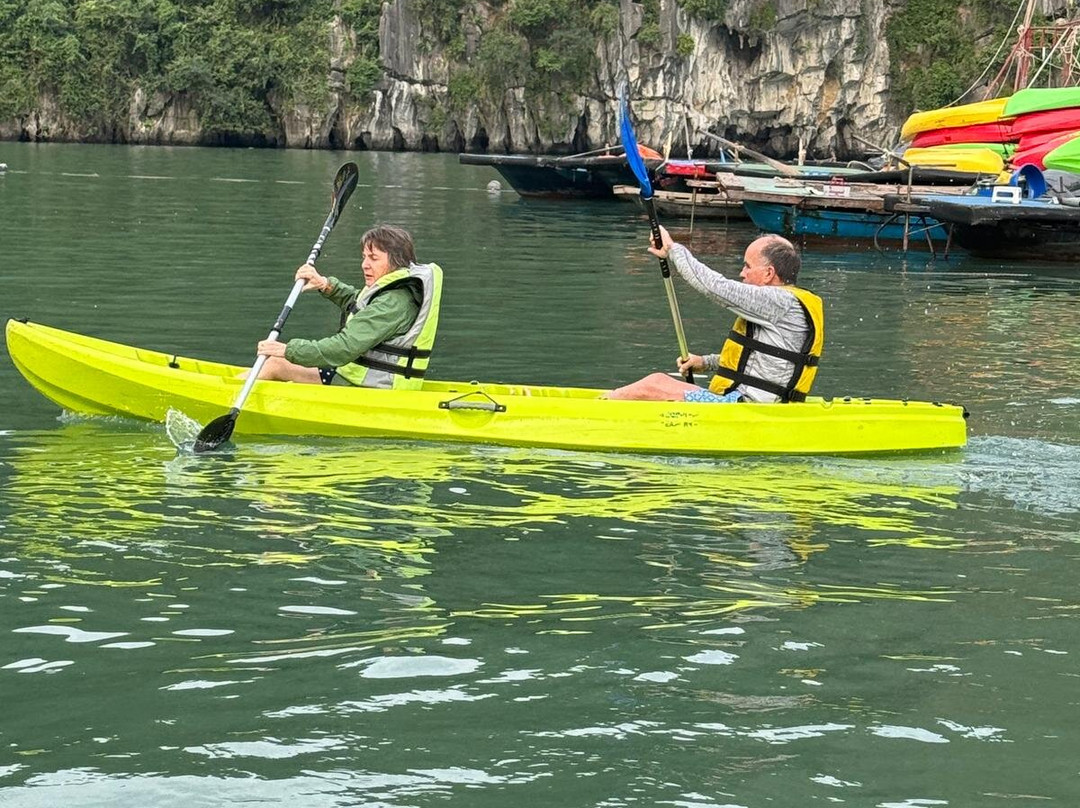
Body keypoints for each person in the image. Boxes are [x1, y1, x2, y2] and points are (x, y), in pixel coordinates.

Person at [606, 227, 823, 403]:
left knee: (653, 384)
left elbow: (713, 286)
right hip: (749, 403)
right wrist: (705, 362)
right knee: (658, 386)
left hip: (748, 410)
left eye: (748, 266)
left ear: (769, 273)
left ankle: (596, 408)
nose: (742, 273)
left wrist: (672, 249)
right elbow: (760, 361)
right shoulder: (786, 304)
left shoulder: (777, 301)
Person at [250, 224, 443, 389]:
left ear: (396, 262)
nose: (364, 265)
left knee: (275, 364)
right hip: (366, 378)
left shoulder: (393, 302)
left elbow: (343, 348)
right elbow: (360, 305)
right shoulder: (395, 293)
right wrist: (326, 285)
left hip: (374, 389)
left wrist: (288, 350)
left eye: (373, 258)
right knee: (275, 364)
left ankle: (228, 398)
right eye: (364, 257)